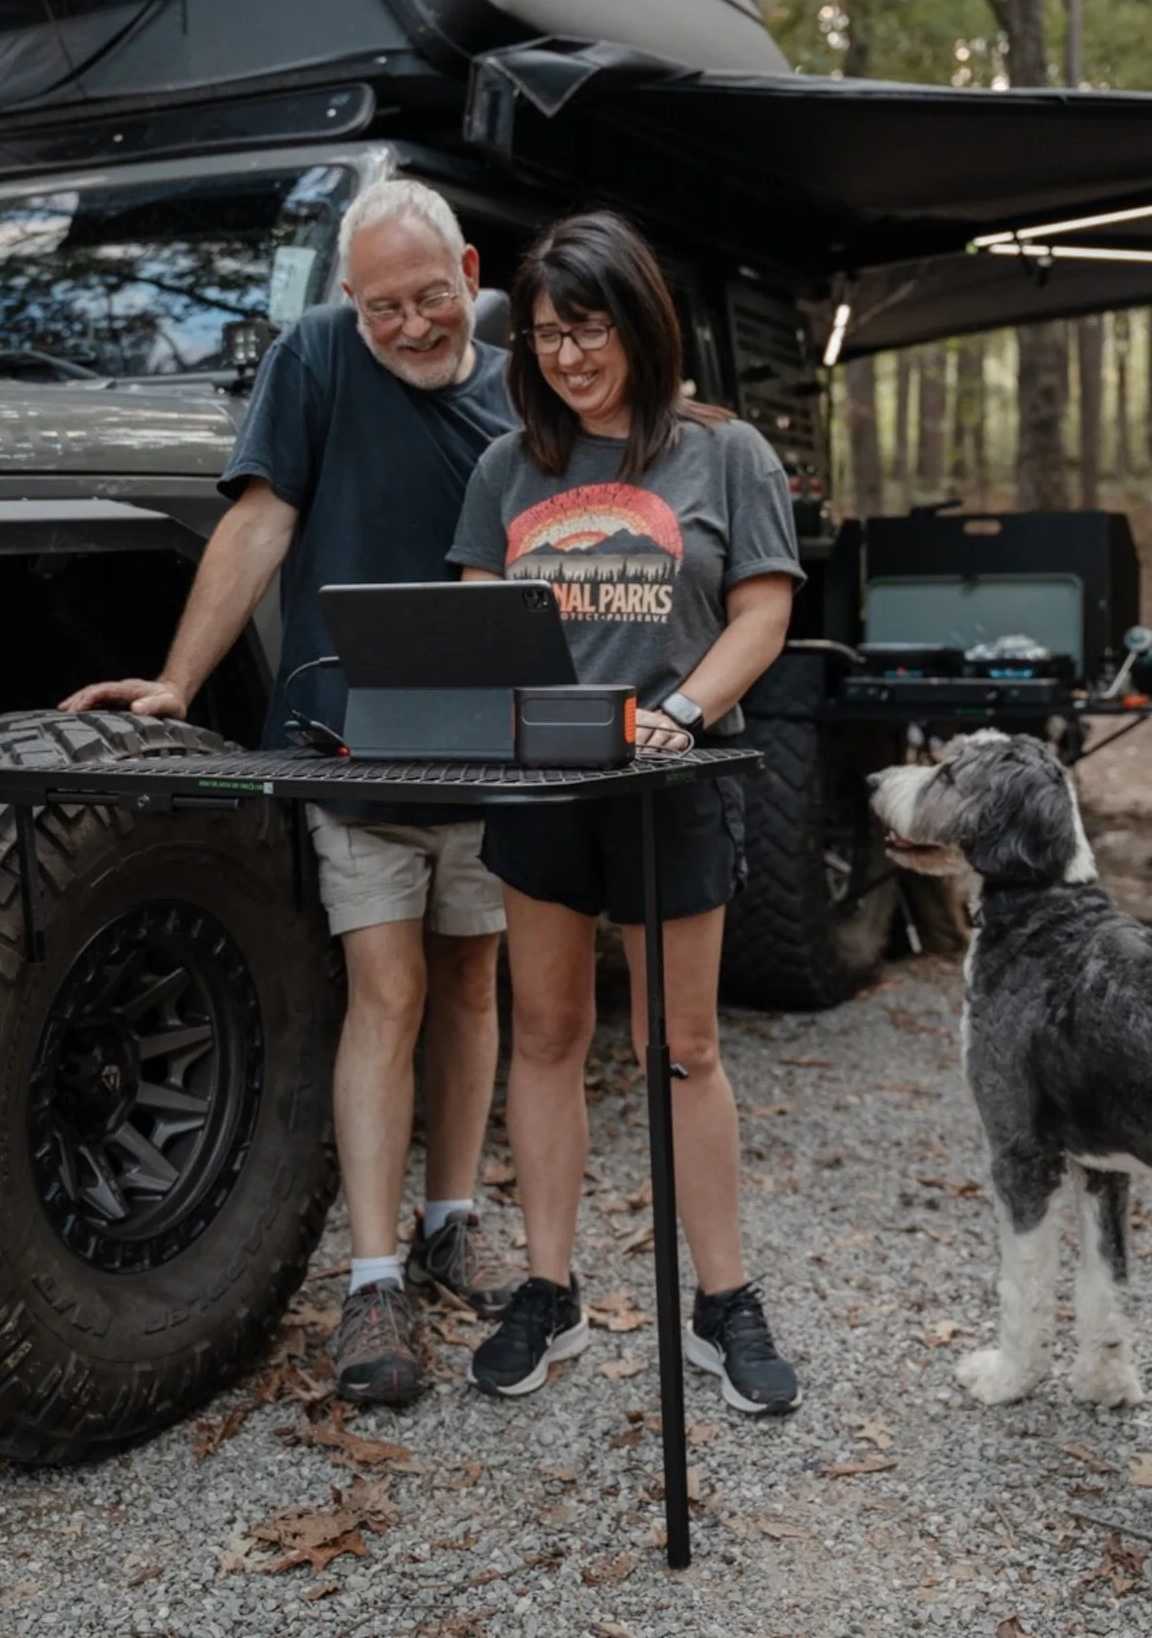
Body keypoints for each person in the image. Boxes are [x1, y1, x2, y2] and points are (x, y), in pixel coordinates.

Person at [60, 179, 518, 1407]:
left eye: (430, 297)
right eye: (384, 310)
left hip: (493, 743)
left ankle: (453, 1217)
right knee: (388, 983)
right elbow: (262, 521)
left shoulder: (524, 383)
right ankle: (373, 1281)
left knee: (475, 977)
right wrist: (178, 677)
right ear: (346, 304)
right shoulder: (316, 356)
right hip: (346, 734)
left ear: (469, 269)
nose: (413, 326)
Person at [449, 211, 805, 1414]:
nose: (568, 355)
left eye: (590, 328)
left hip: (674, 782)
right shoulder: (507, 467)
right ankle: (549, 1291)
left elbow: (761, 614)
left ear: (641, 324)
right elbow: (474, 623)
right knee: (545, 1036)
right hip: (543, 786)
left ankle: (724, 1303)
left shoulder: (726, 453)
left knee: (681, 1048)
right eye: (548, 333)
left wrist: (687, 714)